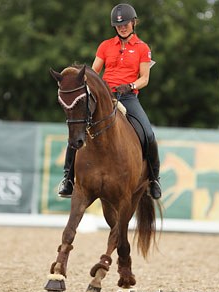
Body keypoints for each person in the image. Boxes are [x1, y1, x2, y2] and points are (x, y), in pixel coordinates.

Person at [58, 3, 161, 200]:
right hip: (105, 96)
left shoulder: (142, 48)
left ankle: (154, 179)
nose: (122, 28)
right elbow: (94, 71)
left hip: (128, 97)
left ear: (134, 23)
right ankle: (68, 179)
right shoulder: (105, 45)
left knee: (148, 133)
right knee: (77, 129)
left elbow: (145, 78)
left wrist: (130, 86)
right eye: (118, 25)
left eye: (125, 24)